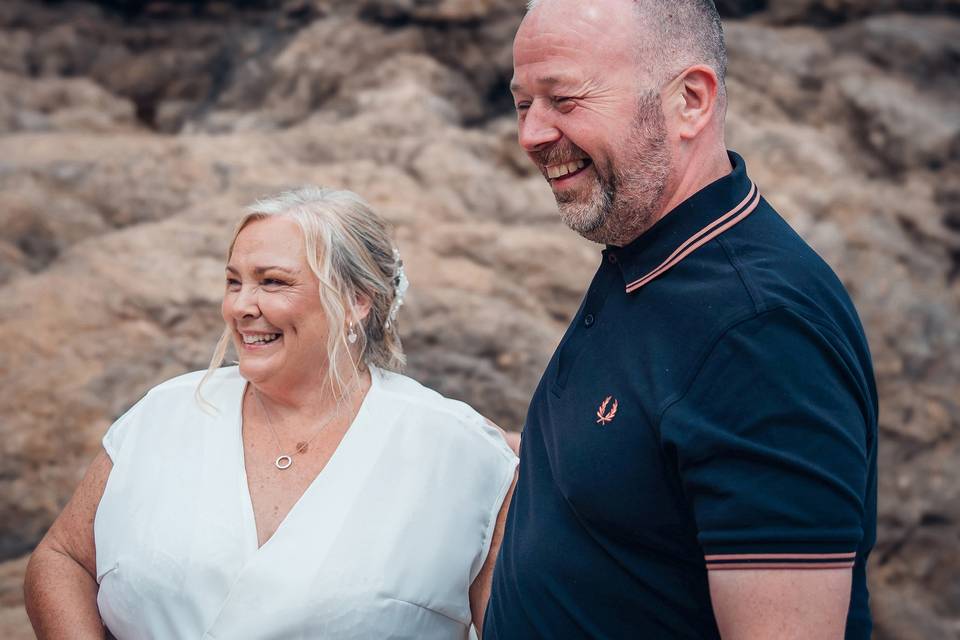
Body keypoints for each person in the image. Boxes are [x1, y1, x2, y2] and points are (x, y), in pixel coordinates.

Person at [484, 0, 878, 638]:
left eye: (564, 98)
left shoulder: (759, 334)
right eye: (523, 103)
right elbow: (640, 477)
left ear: (690, 99)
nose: (530, 134)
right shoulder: (644, 250)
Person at [24, 187, 518, 639]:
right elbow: (62, 558)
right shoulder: (164, 413)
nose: (241, 306)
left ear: (356, 301)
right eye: (234, 282)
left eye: (272, 282)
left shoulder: (463, 454)